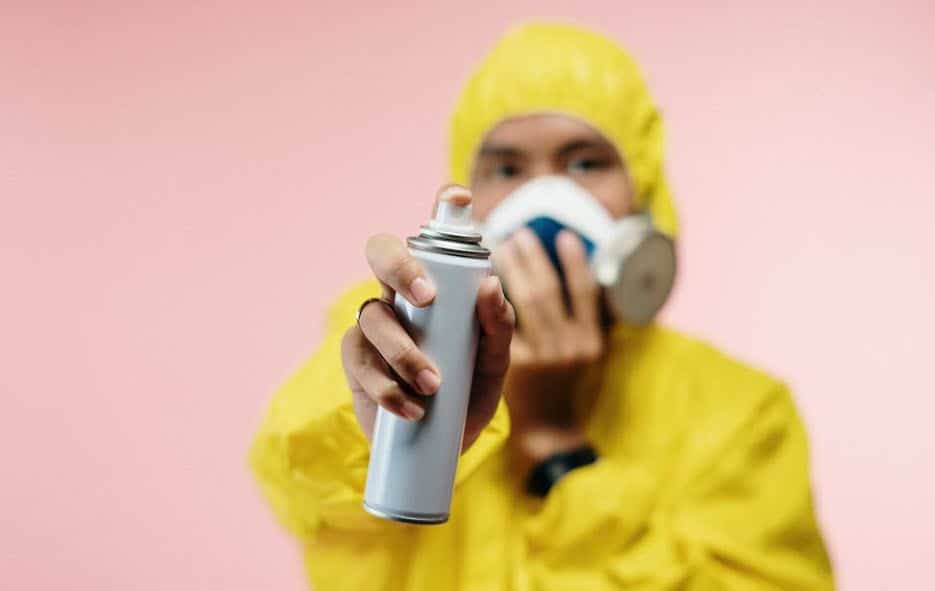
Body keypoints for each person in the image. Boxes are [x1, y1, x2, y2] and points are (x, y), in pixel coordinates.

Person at [249, 22, 834, 590]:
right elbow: (296, 482)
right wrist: (387, 425)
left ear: (644, 191)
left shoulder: (740, 413)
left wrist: (556, 445)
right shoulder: (388, 340)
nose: (546, 201)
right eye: (506, 169)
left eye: (585, 163)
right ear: (467, 198)